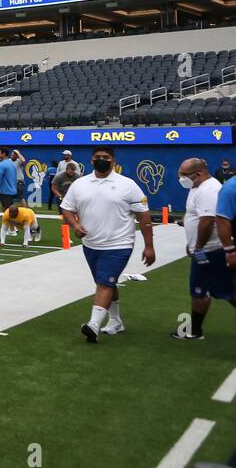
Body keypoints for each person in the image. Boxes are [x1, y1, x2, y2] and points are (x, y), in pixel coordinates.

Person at [58, 145, 154, 343]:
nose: (102, 159)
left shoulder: (127, 185)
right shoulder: (80, 184)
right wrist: (75, 224)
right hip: (91, 244)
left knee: (104, 283)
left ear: (114, 160)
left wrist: (149, 245)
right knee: (106, 282)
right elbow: (66, 208)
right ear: (91, 160)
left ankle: (93, 325)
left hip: (119, 244)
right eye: (98, 157)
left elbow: (144, 216)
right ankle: (116, 321)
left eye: (106, 157)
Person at [175, 158, 233, 339]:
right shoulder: (197, 187)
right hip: (203, 250)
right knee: (200, 290)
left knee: (228, 291)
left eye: (183, 175)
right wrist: (191, 244)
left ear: (198, 174)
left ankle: (195, 330)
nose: (181, 178)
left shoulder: (208, 189)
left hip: (211, 250)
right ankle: (195, 330)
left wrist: (198, 247)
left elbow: (207, 222)